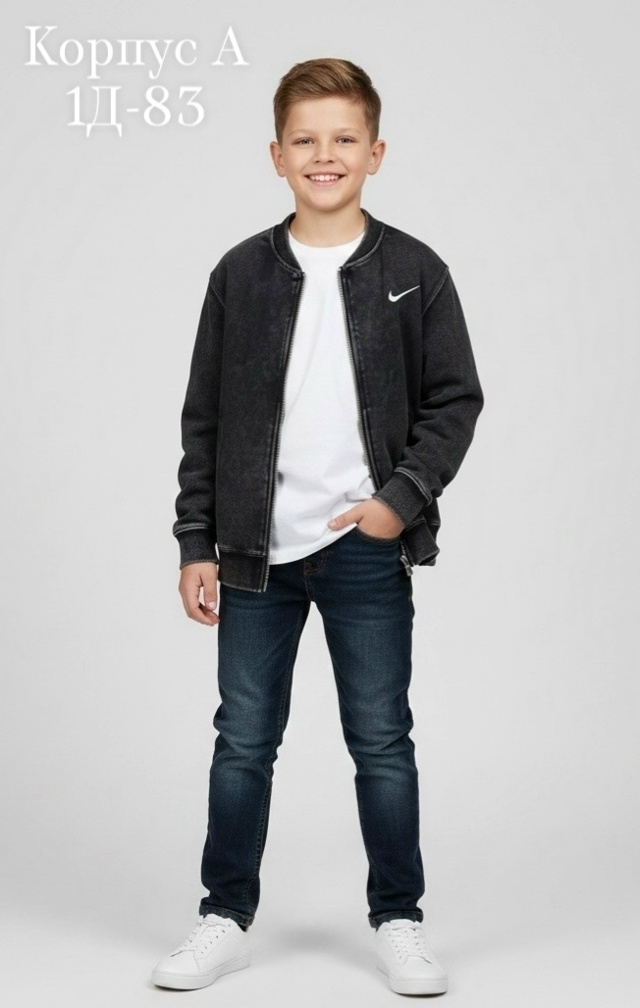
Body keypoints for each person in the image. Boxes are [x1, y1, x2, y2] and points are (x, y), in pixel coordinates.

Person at [151, 57, 483, 997]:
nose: (323, 155)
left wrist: (399, 501)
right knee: (243, 740)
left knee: (380, 738)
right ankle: (224, 916)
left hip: (363, 552)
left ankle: (399, 921)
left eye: (343, 139)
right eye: (305, 139)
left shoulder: (415, 272)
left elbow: (455, 401)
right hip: (254, 553)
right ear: (276, 155)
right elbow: (205, 419)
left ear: (376, 152)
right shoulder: (240, 273)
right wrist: (196, 542)